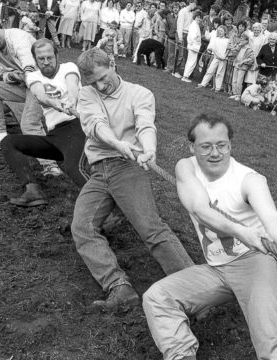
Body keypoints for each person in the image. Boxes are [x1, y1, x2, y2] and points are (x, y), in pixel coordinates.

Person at [143, 113, 277, 360]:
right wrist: (241, 231)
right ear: (192, 147)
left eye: (222, 145)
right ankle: (181, 355)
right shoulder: (186, 167)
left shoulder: (250, 180)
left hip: (254, 263)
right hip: (216, 268)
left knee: (274, 343)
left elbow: (273, 220)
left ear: (230, 145)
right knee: (158, 297)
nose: (215, 153)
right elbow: (200, 209)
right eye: (206, 146)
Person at [72, 48, 194, 311]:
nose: (100, 86)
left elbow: (145, 124)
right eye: (94, 82)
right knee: (82, 227)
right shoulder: (86, 93)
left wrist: (148, 148)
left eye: (103, 77)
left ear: (113, 64)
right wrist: (116, 142)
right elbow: (95, 123)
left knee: (151, 229)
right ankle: (119, 287)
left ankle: (197, 290)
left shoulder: (140, 93)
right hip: (99, 171)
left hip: (127, 167)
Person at [0, 39, 88, 206]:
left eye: (49, 57)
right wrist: (56, 104)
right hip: (55, 136)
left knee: (72, 166)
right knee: (8, 142)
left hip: (76, 126)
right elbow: (40, 95)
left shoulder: (68, 67)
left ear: (56, 55)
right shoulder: (33, 76)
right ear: (35, 59)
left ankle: (106, 208)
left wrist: (72, 100)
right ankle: (32, 191)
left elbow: (73, 86)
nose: (46, 62)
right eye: (41, 59)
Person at [198, 25, 229, 91]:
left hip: (223, 59)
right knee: (210, 71)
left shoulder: (227, 40)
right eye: (219, 31)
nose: (220, 32)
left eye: (221, 31)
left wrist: (225, 56)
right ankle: (203, 83)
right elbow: (211, 48)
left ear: (225, 32)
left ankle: (217, 88)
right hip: (216, 58)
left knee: (219, 73)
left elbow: (228, 50)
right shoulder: (216, 39)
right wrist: (212, 51)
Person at [228, 31, 254, 101]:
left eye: (243, 40)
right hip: (236, 65)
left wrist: (243, 61)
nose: (241, 41)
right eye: (241, 39)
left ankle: (238, 95)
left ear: (247, 41)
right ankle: (234, 93)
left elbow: (251, 59)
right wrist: (236, 47)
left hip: (242, 67)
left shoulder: (249, 49)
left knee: (239, 81)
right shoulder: (240, 47)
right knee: (234, 80)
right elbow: (234, 53)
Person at [173, 0, 196, 78]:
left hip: (188, 34)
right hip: (181, 33)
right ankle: (175, 71)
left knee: (184, 55)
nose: (195, 6)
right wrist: (180, 37)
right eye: (194, 4)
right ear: (190, 3)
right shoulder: (183, 12)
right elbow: (180, 25)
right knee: (180, 54)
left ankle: (180, 70)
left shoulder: (191, 13)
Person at [180, 10, 201, 82]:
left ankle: (186, 76)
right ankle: (185, 76)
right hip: (193, 46)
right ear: (195, 17)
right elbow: (192, 36)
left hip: (194, 46)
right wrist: (196, 38)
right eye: (198, 17)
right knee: (191, 62)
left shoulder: (196, 25)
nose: (199, 19)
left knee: (192, 62)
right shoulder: (194, 25)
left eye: (200, 17)